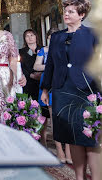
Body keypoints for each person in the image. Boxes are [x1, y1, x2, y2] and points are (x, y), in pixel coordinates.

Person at [41, 0, 100, 180]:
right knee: (72, 136)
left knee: (90, 136)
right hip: (62, 90)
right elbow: (50, 64)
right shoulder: (57, 37)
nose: (66, 14)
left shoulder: (93, 34)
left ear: (81, 15)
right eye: (65, 11)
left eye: (71, 11)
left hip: (86, 90)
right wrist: (45, 89)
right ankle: (79, 176)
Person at [34, 27, 72, 164]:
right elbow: (37, 66)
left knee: (67, 118)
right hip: (50, 84)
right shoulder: (44, 50)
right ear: (49, 38)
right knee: (55, 119)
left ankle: (68, 150)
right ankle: (59, 150)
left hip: (66, 84)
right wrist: (52, 65)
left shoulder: (67, 48)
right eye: (51, 37)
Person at [19, 29, 42, 101]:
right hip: (28, 81)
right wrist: (30, 75)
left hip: (42, 80)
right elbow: (20, 66)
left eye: (32, 35)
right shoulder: (21, 52)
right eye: (27, 36)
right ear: (25, 39)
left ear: (36, 37)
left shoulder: (43, 49)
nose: (30, 37)